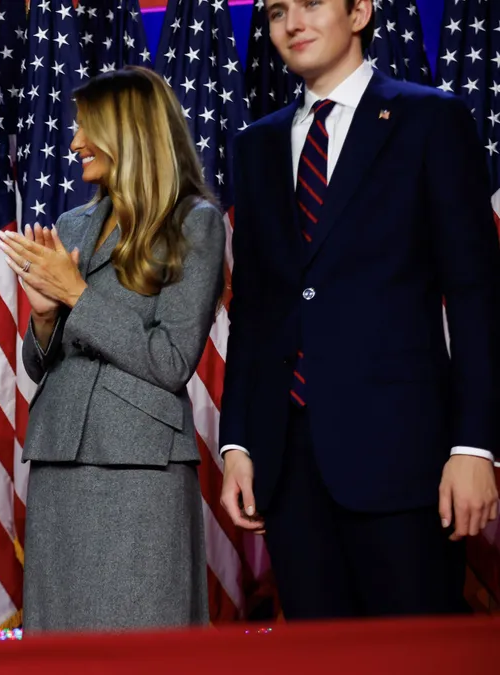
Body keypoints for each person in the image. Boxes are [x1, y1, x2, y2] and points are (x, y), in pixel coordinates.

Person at [220, 0, 500, 619]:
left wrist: (475, 448)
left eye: (311, 4)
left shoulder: (430, 119)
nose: (292, 23)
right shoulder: (256, 145)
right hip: (289, 465)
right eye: (274, 12)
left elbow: (478, 294)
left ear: (360, 12)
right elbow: (254, 311)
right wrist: (236, 443)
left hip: (407, 460)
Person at [0, 67, 225, 632]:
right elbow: (40, 365)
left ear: (128, 131)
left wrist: (76, 294)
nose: (74, 142)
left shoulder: (193, 224)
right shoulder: (74, 223)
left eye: (86, 127)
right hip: (59, 463)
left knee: (140, 642)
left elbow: (171, 361)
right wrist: (45, 318)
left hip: (139, 468)